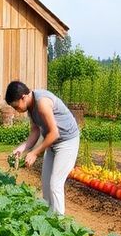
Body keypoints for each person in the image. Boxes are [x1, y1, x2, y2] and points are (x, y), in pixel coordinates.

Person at [5, 81, 81, 215]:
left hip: (67, 142)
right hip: (52, 142)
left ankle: (59, 224)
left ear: (23, 97)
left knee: (55, 184)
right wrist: (21, 149)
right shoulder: (30, 107)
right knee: (46, 185)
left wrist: (34, 153)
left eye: (16, 106)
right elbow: (35, 132)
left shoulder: (42, 103)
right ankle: (47, 220)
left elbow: (54, 133)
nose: (16, 110)